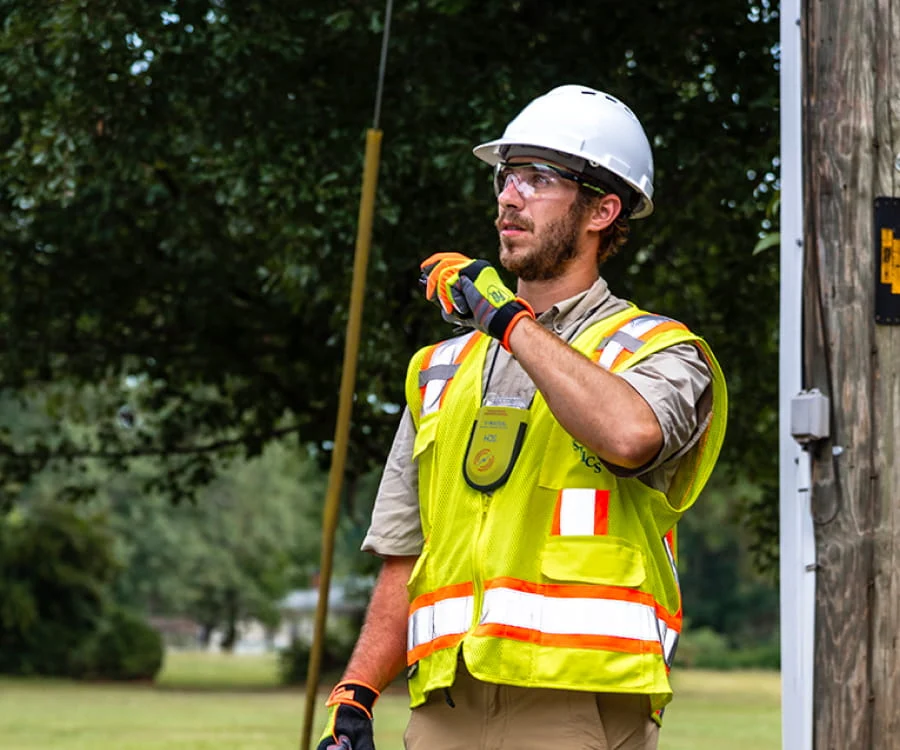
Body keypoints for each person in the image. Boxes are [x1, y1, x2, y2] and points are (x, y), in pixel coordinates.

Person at [316, 84, 728, 750]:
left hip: (577, 704)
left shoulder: (658, 350)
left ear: (603, 209)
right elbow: (406, 554)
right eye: (508, 177)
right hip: (445, 707)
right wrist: (356, 693)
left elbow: (630, 435)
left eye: (538, 179)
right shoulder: (440, 371)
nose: (509, 196)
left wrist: (507, 321)